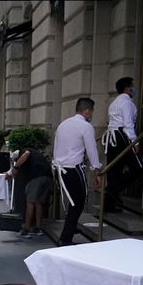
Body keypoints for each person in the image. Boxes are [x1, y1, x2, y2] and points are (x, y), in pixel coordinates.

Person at [52, 98, 102, 246]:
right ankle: (66, 238)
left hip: (60, 168)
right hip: (74, 169)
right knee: (78, 203)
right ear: (87, 111)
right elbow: (91, 149)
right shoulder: (85, 126)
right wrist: (97, 169)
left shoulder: (63, 124)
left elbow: (56, 147)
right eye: (92, 111)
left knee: (74, 202)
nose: (92, 114)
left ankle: (69, 230)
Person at [102, 76, 143, 212]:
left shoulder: (115, 102)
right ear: (127, 88)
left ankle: (110, 201)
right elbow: (128, 124)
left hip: (112, 137)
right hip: (121, 136)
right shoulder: (126, 102)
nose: (133, 89)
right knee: (139, 167)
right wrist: (134, 141)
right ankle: (112, 192)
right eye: (131, 86)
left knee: (114, 170)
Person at [6, 147, 53, 237]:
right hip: (47, 178)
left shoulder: (25, 151)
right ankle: (38, 228)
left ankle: (26, 229)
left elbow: (26, 154)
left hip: (36, 178)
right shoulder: (36, 154)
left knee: (30, 203)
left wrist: (15, 167)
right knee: (39, 203)